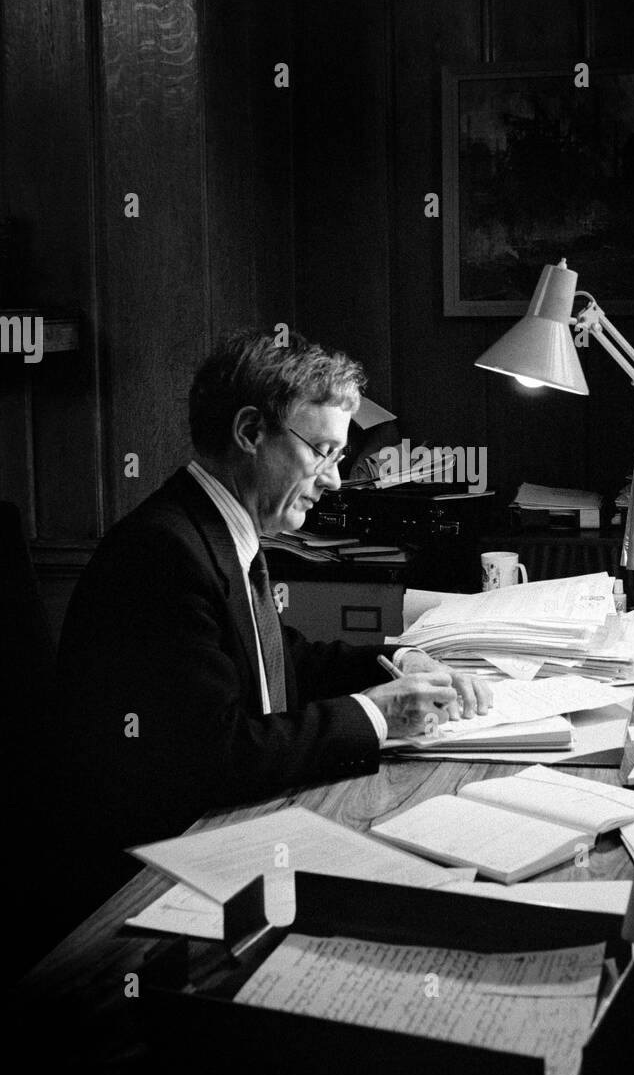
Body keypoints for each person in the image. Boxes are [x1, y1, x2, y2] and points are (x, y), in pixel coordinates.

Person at [56, 328, 491, 911]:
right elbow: (216, 754)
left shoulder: (218, 528)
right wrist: (380, 713)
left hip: (225, 833)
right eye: (322, 452)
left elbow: (281, 661)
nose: (335, 479)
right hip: (150, 879)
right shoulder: (162, 554)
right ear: (250, 432)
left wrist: (399, 663)